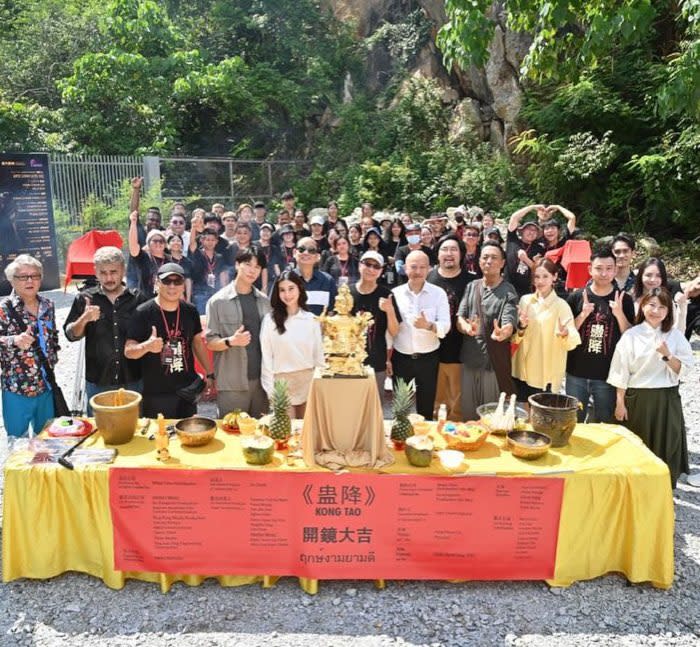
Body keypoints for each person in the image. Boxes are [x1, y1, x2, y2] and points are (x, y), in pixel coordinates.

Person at [608, 288, 694, 487]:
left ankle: (663, 494)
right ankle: (636, 491)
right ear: (643, 306)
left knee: (666, 446)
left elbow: (685, 370)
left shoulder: (675, 336)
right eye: (651, 305)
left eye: (662, 307)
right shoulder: (631, 335)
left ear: (668, 311)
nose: (656, 311)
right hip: (638, 399)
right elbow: (620, 371)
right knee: (638, 446)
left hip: (666, 398)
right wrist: (620, 403)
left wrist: (667, 355)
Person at [64, 247, 146, 414]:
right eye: (103, 273)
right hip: (98, 381)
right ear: (95, 272)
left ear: (123, 269)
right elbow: (71, 335)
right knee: (99, 431)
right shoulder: (85, 298)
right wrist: (84, 318)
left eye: (114, 272)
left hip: (133, 378)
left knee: (135, 430)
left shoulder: (138, 298)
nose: (109, 278)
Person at [125, 264, 213, 418]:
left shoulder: (190, 310)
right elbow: (128, 351)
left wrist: (210, 373)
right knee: (160, 438)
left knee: (186, 436)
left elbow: (197, 343)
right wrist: (147, 346)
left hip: (187, 390)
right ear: (157, 283)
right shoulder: (143, 312)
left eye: (177, 281)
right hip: (157, 394)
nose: (172, 286)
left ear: (183, 285)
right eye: (166, 281)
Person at [565, 247, 635, 423]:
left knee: (605, 423)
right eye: (599, 268)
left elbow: (630, 335)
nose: (604, 273)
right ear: (590, 269)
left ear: (615, 269)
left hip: (608, 374)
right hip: (576, 372)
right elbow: (565, 333)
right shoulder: (576, 297)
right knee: (573, 422)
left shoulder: (624, 299)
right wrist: (582, 315)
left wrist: (619, 313)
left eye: (609, 268)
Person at [206, 248, 271, 418]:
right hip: (232, 383)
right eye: (248, 264)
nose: (252, 270)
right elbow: (210, 342)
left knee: (260, 434)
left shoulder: (265, 301)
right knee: (231, 433)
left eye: (257, 267)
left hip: (262, 382)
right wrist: (231, 341)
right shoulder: (217, 301)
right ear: (237, 265)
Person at [457, 242, 518, 421]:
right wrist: (466, 327)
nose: (488, 261)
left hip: (492, 362)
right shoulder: (472, 286)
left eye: (493, 257)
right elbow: (460, 316)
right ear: (479, 261)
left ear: (502, 263)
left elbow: (509, 321)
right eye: (485, 257)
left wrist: (503, 332)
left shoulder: (508, 291)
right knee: (468, 414)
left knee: (490, 416)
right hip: (469, 358)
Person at [0, 255, 59, 436]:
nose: (30, 280)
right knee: (18, 444)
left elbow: (53, 337)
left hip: (45, 385)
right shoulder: (3, 309)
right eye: (23, 276)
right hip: (17, 388)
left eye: (35, 276)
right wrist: (13, 340)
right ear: (12, 280)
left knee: (47, 442)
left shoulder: (48, 305)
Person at [390, 250, 450, 419]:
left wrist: (428, 325)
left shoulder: (438, 294)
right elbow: (390, 329)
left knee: (426, 407)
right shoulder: (395, 294)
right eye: (413, 267)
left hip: (428, 358)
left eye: (422, 267)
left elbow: (445, 326)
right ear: (404, 268)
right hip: (402, 358)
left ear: (429, 269)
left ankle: (424, 442)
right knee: (401, 409)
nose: (417, 271)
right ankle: (399, 442)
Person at [511, 259, 581, 402]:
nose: (540, 281)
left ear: (554, 277)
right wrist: (522, 327)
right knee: (522, 416)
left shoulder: (561, 306)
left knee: (541, 417)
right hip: (522, 368)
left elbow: (572, 341)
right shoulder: (525, 301)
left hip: (545, 372)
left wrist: (565, 334)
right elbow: (515, 339)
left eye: (545, 276)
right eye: (537, 277)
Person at [260, 271, 324, 418]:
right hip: (281, 384)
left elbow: (318, 357)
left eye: (291, 288)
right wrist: (271, 391)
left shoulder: (312, 320)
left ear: (300, 289)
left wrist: (320, 387)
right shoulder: (269, 321)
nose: (287, 294)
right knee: (286, 434)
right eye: (282, 290)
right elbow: (267, 357)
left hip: (307, 381)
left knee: (306, 433)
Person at [427, 235, 471, 420]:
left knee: (458, 406)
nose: (449, 254)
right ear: (437, 255)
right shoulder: (429, 278)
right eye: (444, 249)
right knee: (435, 404)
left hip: (461, 352)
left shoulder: (472, 282)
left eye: (454, 249)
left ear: (462, 254)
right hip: (432, 351)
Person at [350, 251, 401, 402]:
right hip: (350, 361)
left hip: (376, 361)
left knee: (373, 407)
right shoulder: (347, 292)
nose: (371, 269)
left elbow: (394, 331)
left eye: (376, 266)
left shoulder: (386, 294)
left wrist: (390, 310)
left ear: (381, 271)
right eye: (367, 264)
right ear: (360, 265)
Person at [632, 257, 687, 333]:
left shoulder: (667, 301)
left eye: (658, 276)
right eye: (648, 275)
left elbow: (678, 332)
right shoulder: (631, 298)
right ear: (641, 276)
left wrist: (682, 306)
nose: (653, 280)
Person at [128, 210, 169, 298]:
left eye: (161, 241)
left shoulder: (170, 260)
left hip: (166, 300)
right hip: (146, 300)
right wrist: (133, 223)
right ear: (148, 243)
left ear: (165, 244)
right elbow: (133, 246)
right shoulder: (144, 257)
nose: (158, 243)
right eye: (155, 241)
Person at [188, 226, 229, 315]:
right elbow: (192, 243)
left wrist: (225, 293)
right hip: (200, 292)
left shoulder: (219, 257)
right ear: (202, 241)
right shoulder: (197, 253)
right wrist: (194, 226)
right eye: (207, 239)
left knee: (215, 318)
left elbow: (222, 276)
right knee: (202, 319)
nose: (210, 242)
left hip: (216, 292)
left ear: (216, 241)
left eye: (213, 240)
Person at [506, 207, 546, 298]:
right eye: (529, 229)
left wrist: (526, 259)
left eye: (534, 230)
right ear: (522, 230)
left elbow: (538, 270)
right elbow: (514, 217)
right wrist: (532, 207)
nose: (531, 232)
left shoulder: (539, 248)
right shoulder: (513, 240)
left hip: (527, 290)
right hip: (508, 287)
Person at [293, 236, 337, 316]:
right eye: (301, 249)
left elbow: (332, 313)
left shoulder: (328, 281)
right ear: (294, 253)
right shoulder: (285, 280)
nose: (306, 253)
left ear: (318, 257)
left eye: (311, 250)